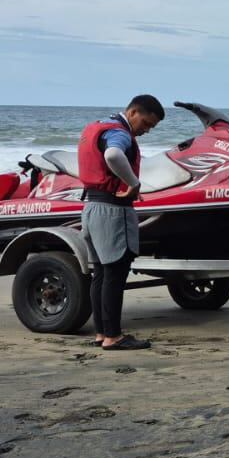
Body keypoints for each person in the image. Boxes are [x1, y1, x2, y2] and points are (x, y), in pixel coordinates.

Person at [79, 95, 164, 351]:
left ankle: (101, 333)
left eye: (152, 127)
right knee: (115, 273)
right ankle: (113, 337)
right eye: (146, 123)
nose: (146, 130)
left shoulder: (98, 126)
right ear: (133, 112)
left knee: (100, 273)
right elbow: (114, 155)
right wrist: (134, 183)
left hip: (91, 208)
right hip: (113, 211)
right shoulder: (119, 133)